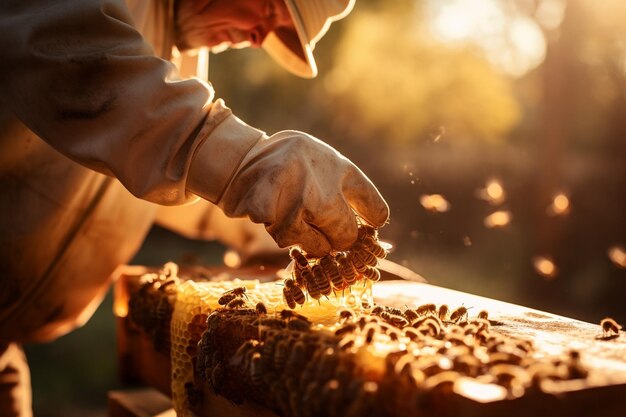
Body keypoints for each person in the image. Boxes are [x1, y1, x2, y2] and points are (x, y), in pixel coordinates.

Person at [0, 0, 389, 415]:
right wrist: (245, 162)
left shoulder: (183, 54)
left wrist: (274, 222)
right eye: (270, 8)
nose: (259, 38)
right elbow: (72, 61)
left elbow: (151, 168)